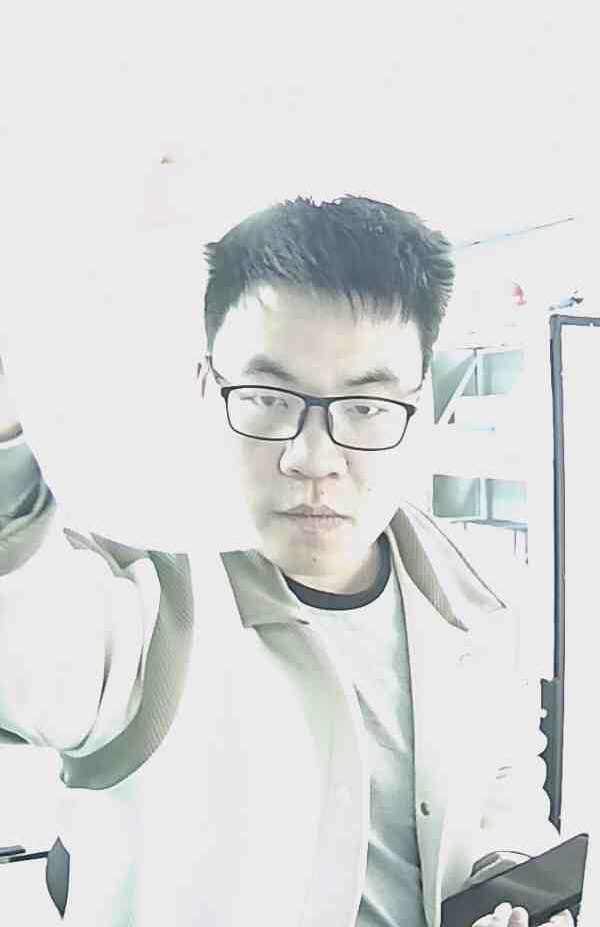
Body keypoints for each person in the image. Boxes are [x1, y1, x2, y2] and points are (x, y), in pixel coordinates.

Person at [0, 196, 575, 927]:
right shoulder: (142, 598)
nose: (312, 458)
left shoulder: (480, 597)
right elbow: (26, 637)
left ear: (418, 405)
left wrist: (512, 887)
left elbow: (503, 805)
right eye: (269, 399)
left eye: (365, 407)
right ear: (208, 388)